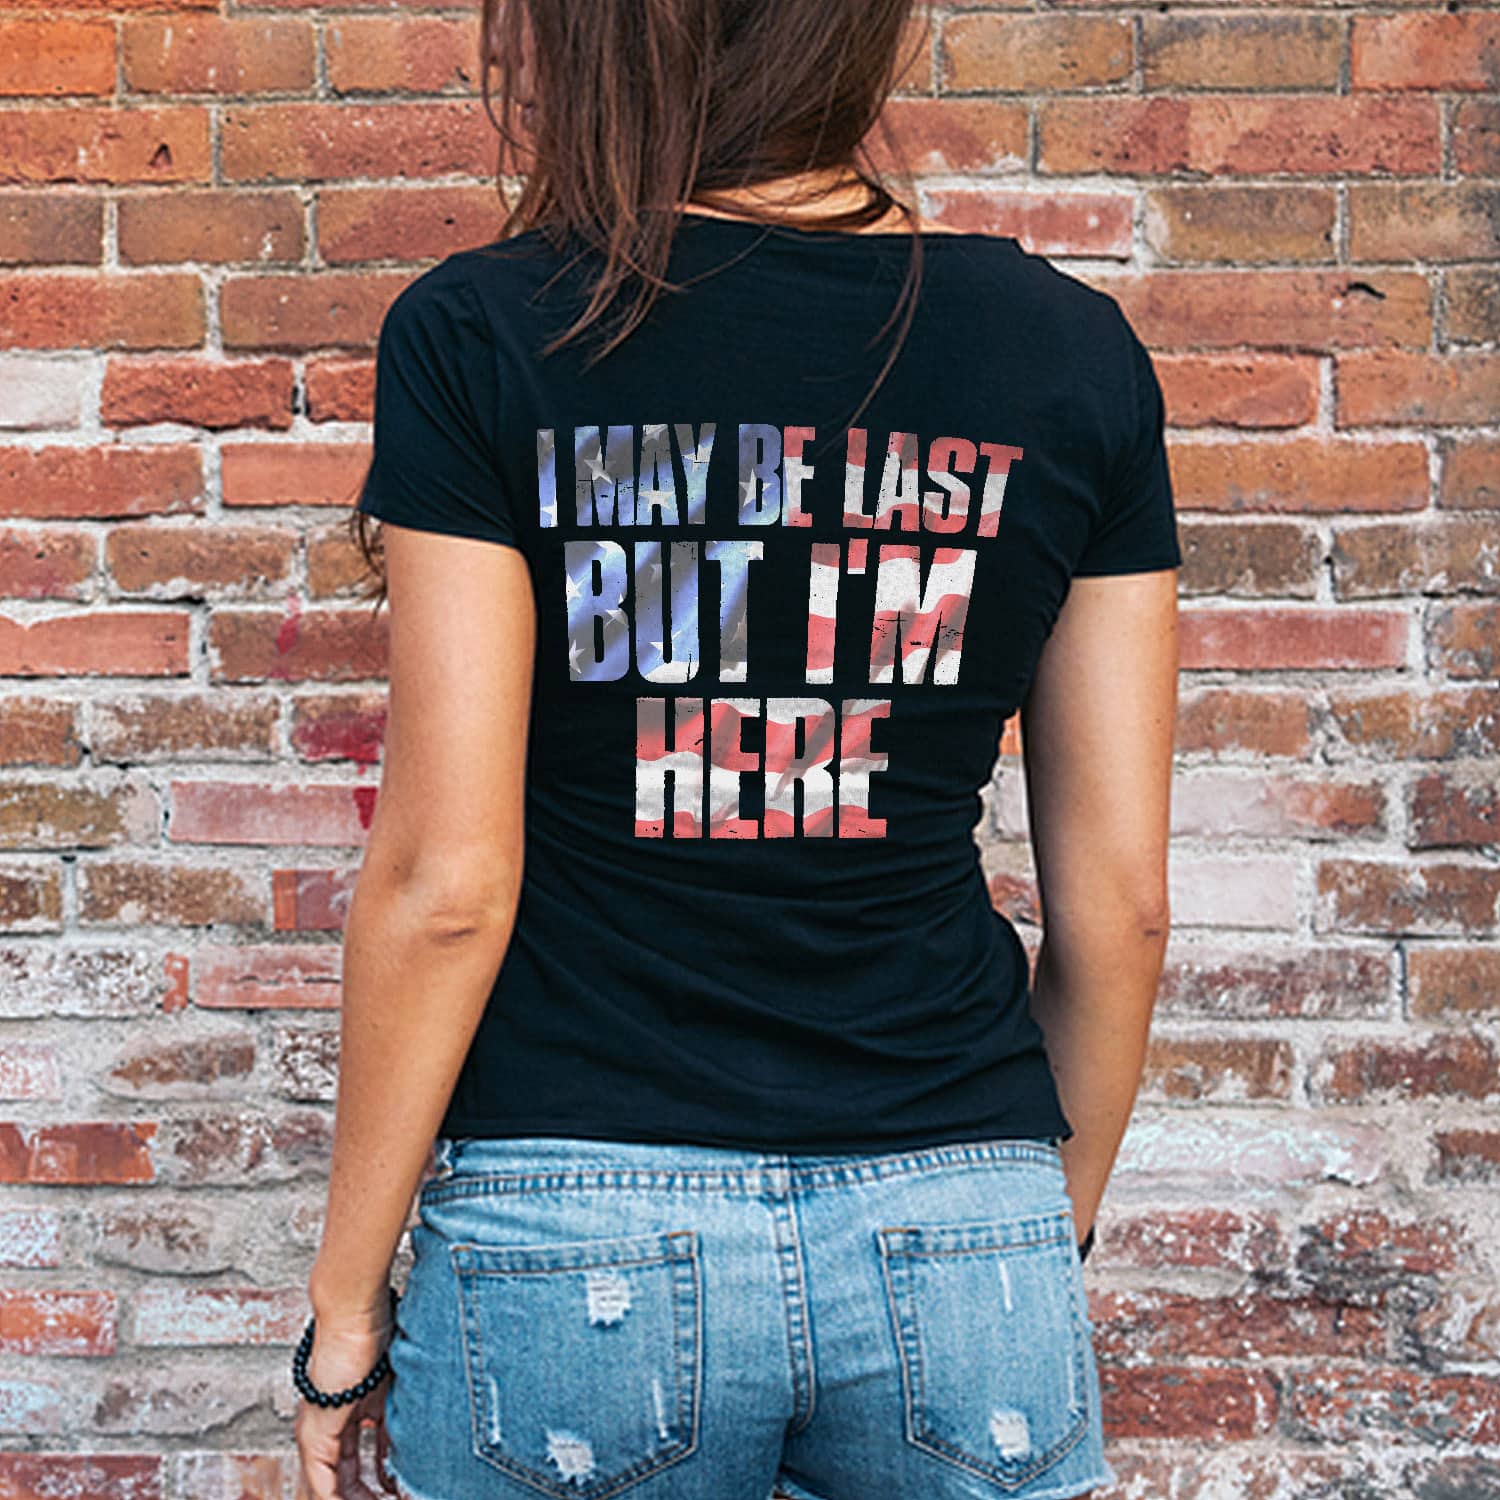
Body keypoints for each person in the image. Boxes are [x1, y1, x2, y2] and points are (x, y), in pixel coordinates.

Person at [291, 2, 1180, 1498]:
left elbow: (448, 885)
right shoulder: (1069, 349)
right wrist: (1031, 1224)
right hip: (963, 1201)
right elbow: (1122, 911)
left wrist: (342, 1310)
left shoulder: (485, 330)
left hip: (576, 1221)